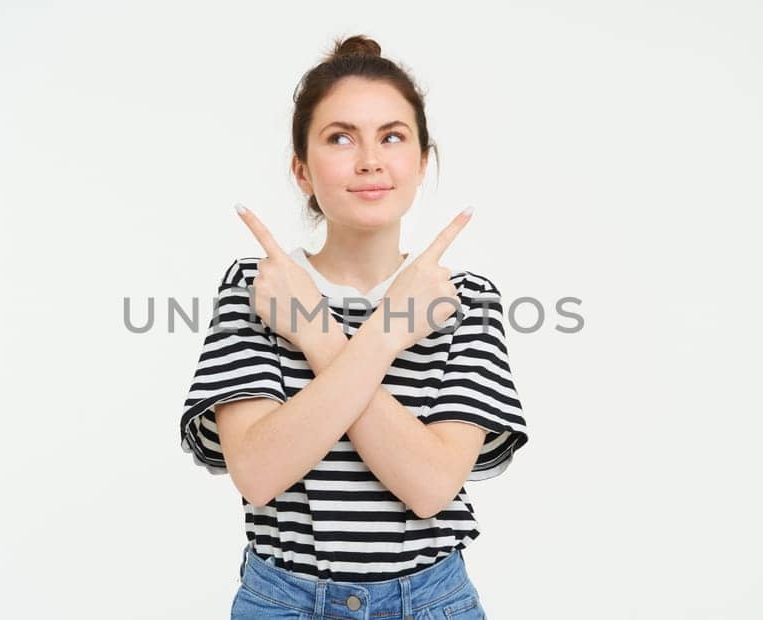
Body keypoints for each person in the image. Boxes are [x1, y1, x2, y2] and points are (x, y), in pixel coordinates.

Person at [180, 34, 528, 619]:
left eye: (391, 137)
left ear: (420, 163)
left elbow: (430, 487)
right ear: (302, 170)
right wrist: (384, 335)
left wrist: (320, 332)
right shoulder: (260, 287)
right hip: (282, 602)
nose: (369, 159)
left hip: (429, 601)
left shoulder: (463, 300)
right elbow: (259, 473)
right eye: (340, 138)